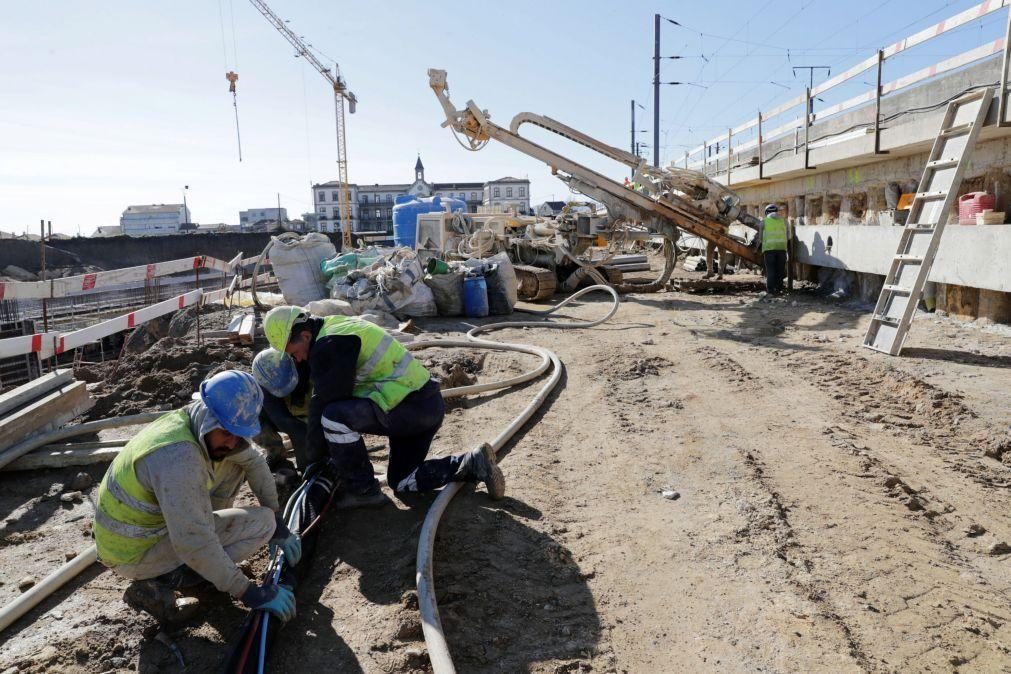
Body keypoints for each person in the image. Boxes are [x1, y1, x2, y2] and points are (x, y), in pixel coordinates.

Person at [92, 370, 302, 625]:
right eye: (226, 432)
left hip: (146, 534)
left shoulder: (195, 423)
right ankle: (168, 579)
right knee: (262, 524)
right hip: (135, 552)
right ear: (209, 418)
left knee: (237, 466)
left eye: (238, 433)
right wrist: (250, 593)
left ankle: (206, 565)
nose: (232, 441)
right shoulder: (178, 458)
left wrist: (279, 522)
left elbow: (254, 462)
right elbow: (193, 540)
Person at [263, 306, 505, 508]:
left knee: (333, 417)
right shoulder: (335, 325)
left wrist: (313, 458)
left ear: (305, 336)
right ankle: (473, 462)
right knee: (401, 481)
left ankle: (363, 490)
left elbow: (325, 400)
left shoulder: (330, 344)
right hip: (421, 406)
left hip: (408, 409)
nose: (299, 359)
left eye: (295, 352)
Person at [251, 347, 311, 471]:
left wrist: (304, 467)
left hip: (313, 417)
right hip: (286, 417)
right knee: (251, 417)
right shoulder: (264, 381)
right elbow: (285, 422)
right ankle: (276, 455)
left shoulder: (310, 367)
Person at [756, 203, 788, 294]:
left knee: (770, 270)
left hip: (769, 250)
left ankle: (771, 291)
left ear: (766, 212)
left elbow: (760, 238)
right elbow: (789, 236)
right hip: (782, 249)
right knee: (780, 270)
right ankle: (779, 289)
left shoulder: (764, 222)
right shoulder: (784, 221)